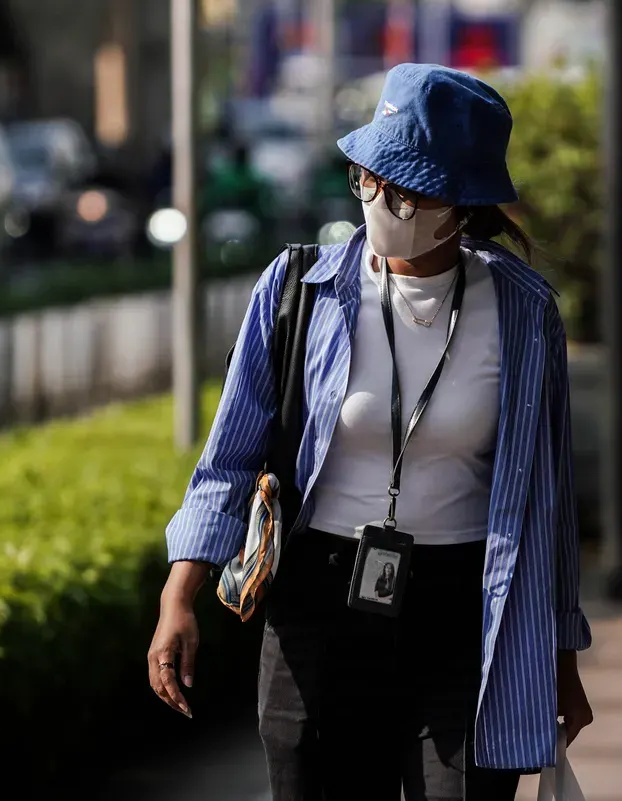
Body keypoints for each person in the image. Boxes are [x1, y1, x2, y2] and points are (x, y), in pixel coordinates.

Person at [149, 64, 594, 801]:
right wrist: (178, 597)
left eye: (408, 189)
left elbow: (549, 499)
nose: (382, 201)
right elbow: (227, 461)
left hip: (463, 616)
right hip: (319, 610)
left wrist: (560, 659)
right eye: (368, 178)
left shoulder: (523, 311)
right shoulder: (299, 290)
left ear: (463, 202)